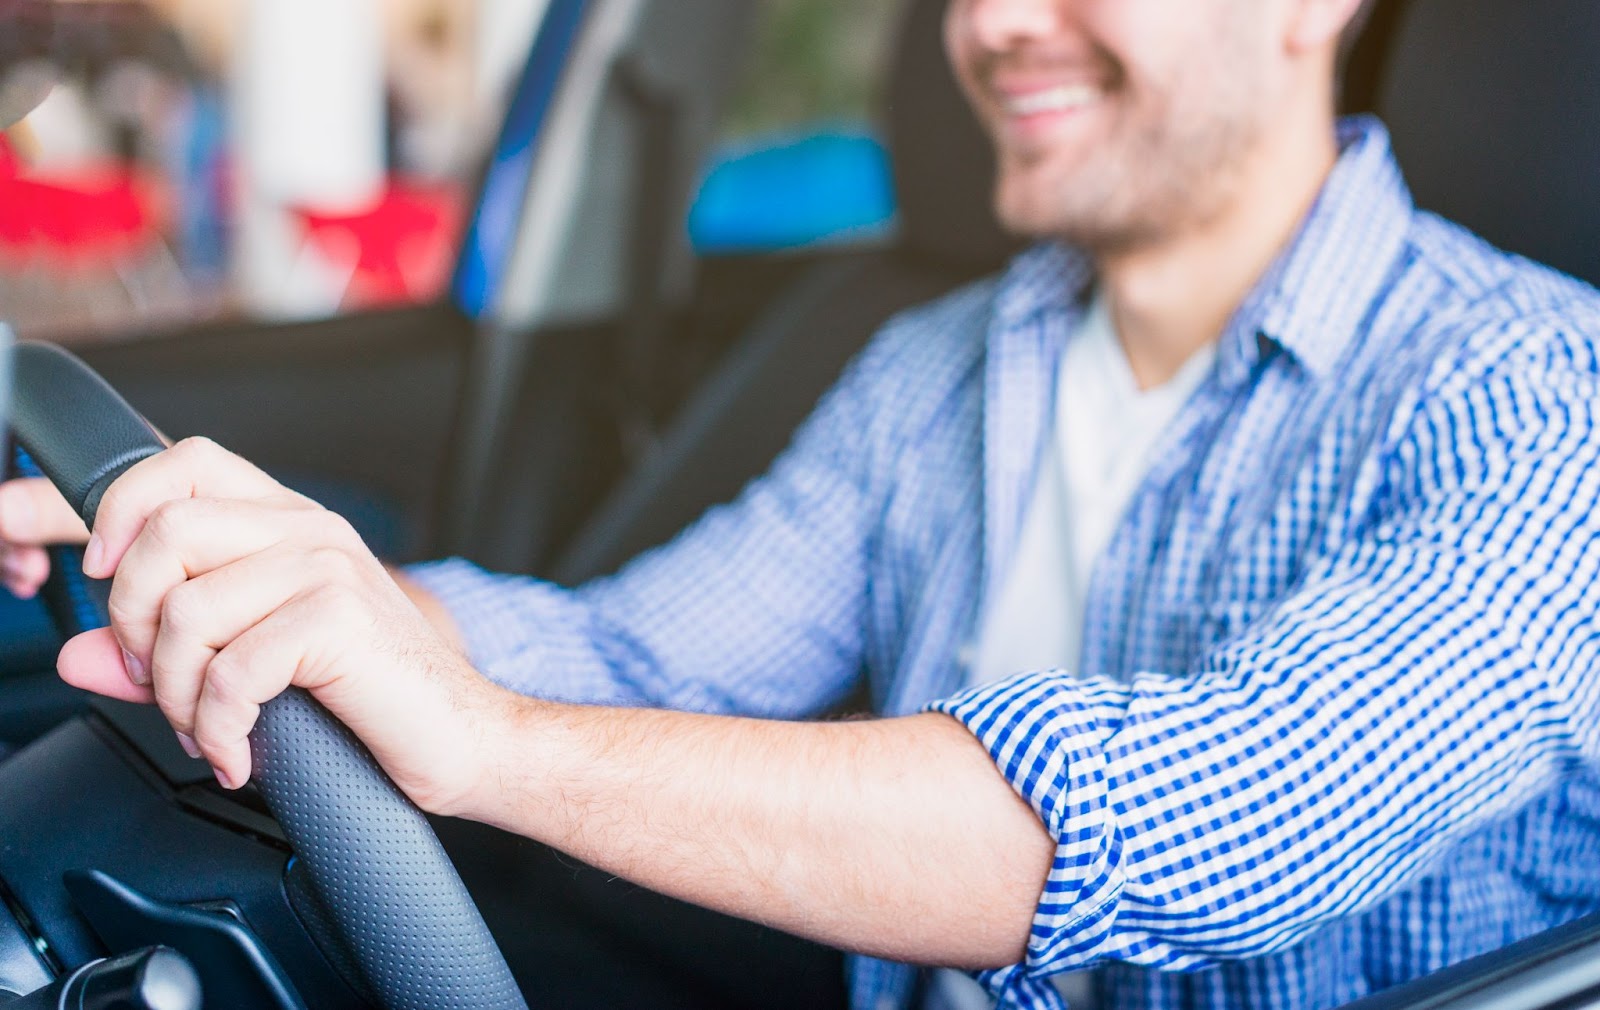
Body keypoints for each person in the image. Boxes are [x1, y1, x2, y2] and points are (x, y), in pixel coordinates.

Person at [3, 0, 1599, 1008]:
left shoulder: (1535, 393)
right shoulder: (943, 366)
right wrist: (295, 581)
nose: (991, 28)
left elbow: (1203, 815)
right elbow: (642, 653)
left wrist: (489, 743)